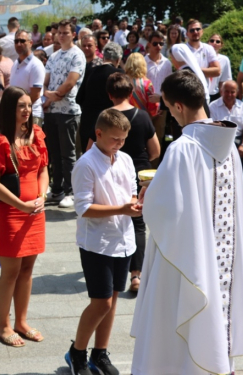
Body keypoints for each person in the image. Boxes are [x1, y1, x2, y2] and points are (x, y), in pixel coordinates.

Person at [131, 68, 243, 375]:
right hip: (221, 257)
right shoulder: (230, 147)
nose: (169, 113)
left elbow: (167, 211)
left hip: (184, 259)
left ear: (179, 106)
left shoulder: (183, 148)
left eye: (167, 107)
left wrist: (148, 194)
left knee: (173, 330)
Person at [66, 108, 140, 375]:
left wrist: (135, 204)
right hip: (97, 242)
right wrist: (122, 208)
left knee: (113, 299)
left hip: (123, 239)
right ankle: (77, 352)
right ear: (99, 133)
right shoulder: (86, 163)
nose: (119, 144)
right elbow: (83, 208)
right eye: (115, 139)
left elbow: (131, 193)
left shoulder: (125, 159)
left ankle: (100, 353)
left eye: (123, 140)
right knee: (102, 302)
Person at [0, 86, 49, 347]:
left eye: (29, 105)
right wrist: (21, 204)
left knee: (28, 270)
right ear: (10, 108)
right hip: (11, 212)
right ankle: (3, 325)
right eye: (21, 106)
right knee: (10, 272)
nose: (27, 110)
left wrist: (41, 197)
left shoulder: (36, 134)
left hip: (35, 211)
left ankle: (21, 321)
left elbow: (44, 170)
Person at [106, 73, 160, 292]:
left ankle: (109, 267)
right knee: (138, 222)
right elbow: (155, 150)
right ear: (131, 93)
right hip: (139, 174)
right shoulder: (143, 116)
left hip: (111, 174)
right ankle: (135, 276)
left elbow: (91, 148)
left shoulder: (105, 117)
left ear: (109, 95)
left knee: (111, 216)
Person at [44, 20, 86, 208]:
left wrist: (54, 95)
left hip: (68, 110)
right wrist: (48, 95)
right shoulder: (53, 56)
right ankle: (57, 188)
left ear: (73, 34)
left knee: (68, 154)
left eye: (65, 33)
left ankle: (72, 191)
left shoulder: (78, 55)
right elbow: (44, 81)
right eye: (59, 32)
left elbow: (70, 82)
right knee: (54, 152)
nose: (61, 35)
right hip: (51, 110)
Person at [76, 42, 122, 153]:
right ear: (118, 60)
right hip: (108, 125)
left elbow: (78, 98)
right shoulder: (119, 74)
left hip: (88, 122)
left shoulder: (90, 71)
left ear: (104, 57)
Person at [9, 30, 45, 125]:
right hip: (17, 115)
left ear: (30, 43)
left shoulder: (36, 65)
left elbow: (35, 95)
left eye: (22, 41)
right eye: (16, 41)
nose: (19, 44)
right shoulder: (16, 63)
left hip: (31, 115)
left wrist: (17, 109)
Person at [145, 31, 172, 154]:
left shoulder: (167, 63)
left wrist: (162, 103)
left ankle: (154, 170)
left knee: (158, 138)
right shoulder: (142, 62)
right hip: (144, 106)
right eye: (155, 43)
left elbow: (168, 85)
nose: (158, 47)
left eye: (161, 44)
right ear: (149, 44)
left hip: (161, 107)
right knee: (144, 137)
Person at [185, 19, 220, 83]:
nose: (195, 32)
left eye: (198, 29)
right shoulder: (182, 49)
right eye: (192, 30)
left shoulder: (208, 48)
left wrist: (193, 70)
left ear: (202, 31)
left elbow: (217, 71)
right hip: (186, 90)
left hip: (203, 90)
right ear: (187, 34)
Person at [125, 53, 159, 118]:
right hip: (142, 118)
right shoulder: (147, 83)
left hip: (125, 118)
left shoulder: (122, 81)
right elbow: (152, 109)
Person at [209, 80, 243, 147]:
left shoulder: (242, 106)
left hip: (238, 141)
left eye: (232, 92)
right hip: (220, 141)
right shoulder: (213, 106)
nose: (229, 95)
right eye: (226, 91)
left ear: (237, 93)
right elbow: (212, 128)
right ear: (221, 92)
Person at [207, 34, 232, 102]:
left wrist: (224, 99)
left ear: (221, 45)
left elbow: (224, 81)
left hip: (215, 95)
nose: (214, 43)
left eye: (218, 41)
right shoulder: (202, 57)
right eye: (212, 41)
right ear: (208, 43)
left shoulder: (224, 60)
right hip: (201, 94)